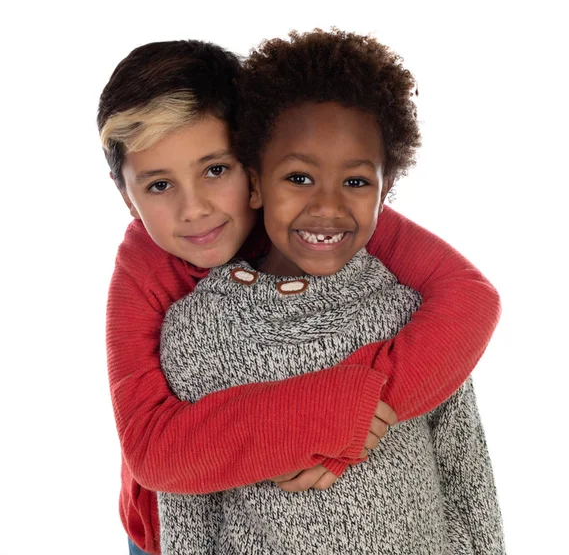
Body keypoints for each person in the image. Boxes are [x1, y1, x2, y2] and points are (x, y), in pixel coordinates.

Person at [98, 38, 501, 554]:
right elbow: (154, 451)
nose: (194, 209)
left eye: (215, 169)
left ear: (251, 160)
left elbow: (469, 298)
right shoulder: (144, 274)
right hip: (163, 525)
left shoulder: (318, 215)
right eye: (158, 186)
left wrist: (361, 411)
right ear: (125, 196)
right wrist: (319, 417)